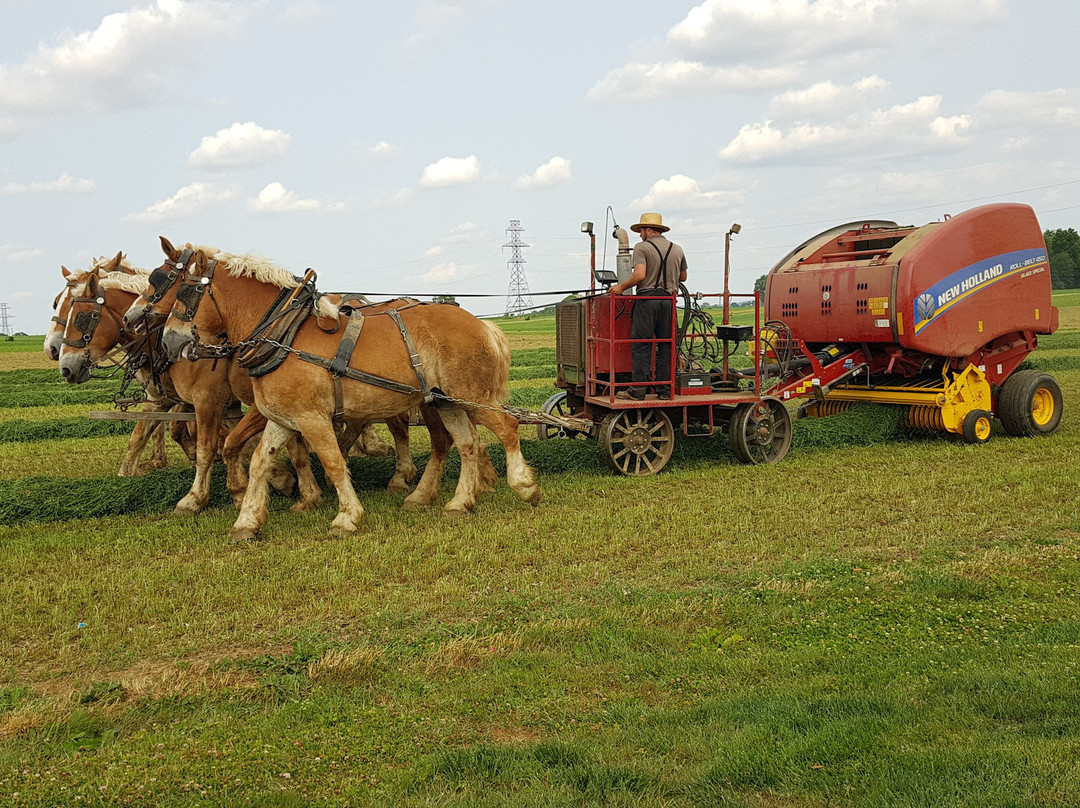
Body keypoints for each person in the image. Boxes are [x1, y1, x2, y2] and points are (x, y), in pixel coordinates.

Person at [610, 212, 687, 400]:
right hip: (669, 302)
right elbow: (683, 277)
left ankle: (637, 391)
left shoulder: (641, 248)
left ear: (648, 230)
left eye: (641, 230)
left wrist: (620, 287)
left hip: (647, 300)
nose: (640, 234)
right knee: (667, 346)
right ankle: (665, 391)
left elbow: (639, 275)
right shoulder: (677, 249)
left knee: (642, 345)